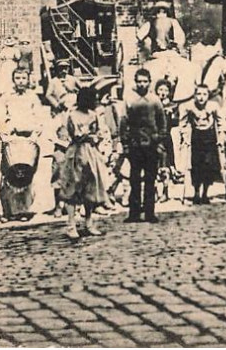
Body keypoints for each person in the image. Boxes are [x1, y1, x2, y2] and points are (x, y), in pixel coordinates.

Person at [58, 86, 111, 240]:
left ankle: (88, 223)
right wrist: (86, 135)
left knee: (90, 188)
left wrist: (95, 137)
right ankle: (71, 225)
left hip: (90, 152)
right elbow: (75, 135)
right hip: (76, 153)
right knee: (73, 189)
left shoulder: (93, 115)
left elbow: (98, 132)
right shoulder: (72, 115)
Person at [0, 67, 44, 220]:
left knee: (27, 173)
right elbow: (1, 118)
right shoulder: (7, 98)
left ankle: (24, 210)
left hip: (28, 140)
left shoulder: (33, 98)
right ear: (13, 80)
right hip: (13, 139)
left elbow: (39, 117)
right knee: (11, 173)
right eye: (17, 78)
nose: (21, 81)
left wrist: (35, 133)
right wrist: (7, 134)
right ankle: (10, 210)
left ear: (28, 79)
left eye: (23, 78)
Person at [119, 67, 166, 223]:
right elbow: (123, 123)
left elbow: (162, 122)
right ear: (135, 82)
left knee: (151, 179)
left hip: (151, 146)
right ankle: (134, 213)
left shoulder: (155, 100)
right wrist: (125, 144)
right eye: (139, 81)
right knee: (134, 180)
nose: (142, 85)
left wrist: (158, 139)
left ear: (150, 82)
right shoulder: (130, 100)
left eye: (145, 81)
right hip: (135, 145)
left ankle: (150, 212)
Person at [180, 83, 224, 204]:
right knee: (196, 165)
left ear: (208, 95)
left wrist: (221, 136)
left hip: (210, 138)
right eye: (198, 94)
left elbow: (220, 121)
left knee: (209, 166)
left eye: (204, 94)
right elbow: (183, 122)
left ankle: (205, 193)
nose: (201, 97)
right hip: (197, 137)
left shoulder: (213, 106)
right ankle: (196, 193)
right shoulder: (189, 107)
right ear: (194, 95)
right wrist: (184, 136)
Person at [154, 77, 181, 199]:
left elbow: (176, 122)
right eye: (160, 89)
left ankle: (165, 192)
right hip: (154, 138)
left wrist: (171, 115)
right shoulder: (153, 105)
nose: (162, 92)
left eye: (165, 90)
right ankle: (154, 192)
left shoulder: (173, 106)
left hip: (166, 137)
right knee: (153, 165)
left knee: (166, 165)